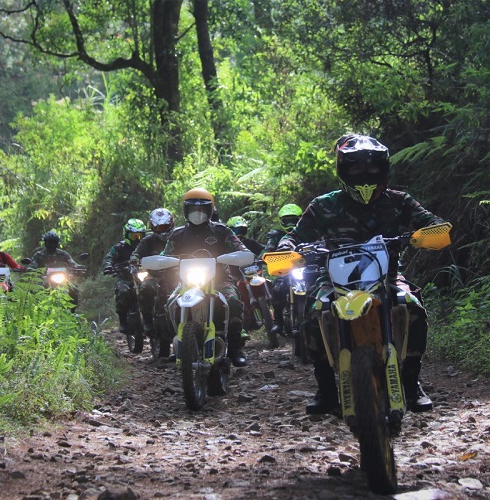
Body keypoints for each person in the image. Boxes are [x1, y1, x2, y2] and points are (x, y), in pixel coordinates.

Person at [278, 134, 446, 415]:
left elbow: (433, 223)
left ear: (384, 169)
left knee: (413, 307)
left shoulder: (399, 201)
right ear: (343, 170)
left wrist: (425, 235)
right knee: (313, 313)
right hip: (333, 279)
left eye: (372, 168)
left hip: (388, 276)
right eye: (355, 168)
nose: (364, 175)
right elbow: (294, 237)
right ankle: (327, 388)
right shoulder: (323, 205)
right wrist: (287, 249)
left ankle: (411, 382)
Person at [162, 188, 249, 367]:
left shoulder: (222, 231)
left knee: (233, 301)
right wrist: (159, 262)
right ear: (186, 210)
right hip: (187, 282)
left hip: (219, 281)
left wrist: (243, 254)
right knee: (171, 303)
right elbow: (165, 255)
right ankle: (179, 344)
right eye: (193, 209)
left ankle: (234, 348)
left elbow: (240, 247)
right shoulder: (177, 234)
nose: (198, 213)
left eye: (202, 209)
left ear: (210, 210)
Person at [130, 208, 176, 356]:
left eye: (165, 226)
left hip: (177, 275)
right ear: (152, 226)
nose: (162, 230)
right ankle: (148, 320)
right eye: (158, 227)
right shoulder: (147, 241)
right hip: (154, 276)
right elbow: (136, 253)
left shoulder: (178, 236)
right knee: (145, 287)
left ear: (171, 224)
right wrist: (134, 261)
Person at [103, 219, 147, 353]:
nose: (136, 239)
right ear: (126, 235)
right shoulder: (119, 247)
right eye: (133, 236)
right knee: (122, 292)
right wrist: (108, 266)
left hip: (143, 276)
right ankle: (122, 320)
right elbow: (108, 258)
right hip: (124, 277)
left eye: (139, 236)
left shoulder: (145, 246)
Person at [265, 204, 303, 335]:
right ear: (281, 221)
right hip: (285, 270)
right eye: (287, 221)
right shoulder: (276, 236)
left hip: (306, 269)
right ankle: (278, 322)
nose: (290, 223)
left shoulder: (306, 232)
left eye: (294, 220)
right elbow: (267, 250)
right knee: (278, 288)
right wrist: (261, 259)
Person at [27, 230, 84, 306]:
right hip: (44, 279)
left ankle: (72, 311)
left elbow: (72, 263)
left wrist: (78, 267)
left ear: (57, 243)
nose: (52, 244)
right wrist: (31, 269)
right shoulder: (39, 255)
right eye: (50, 242)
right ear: (46, 243)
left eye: (54, 242)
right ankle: (37, 310)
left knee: (74, 290)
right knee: (36, 290)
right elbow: (33, 265)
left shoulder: (63, 254)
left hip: (62, 278)